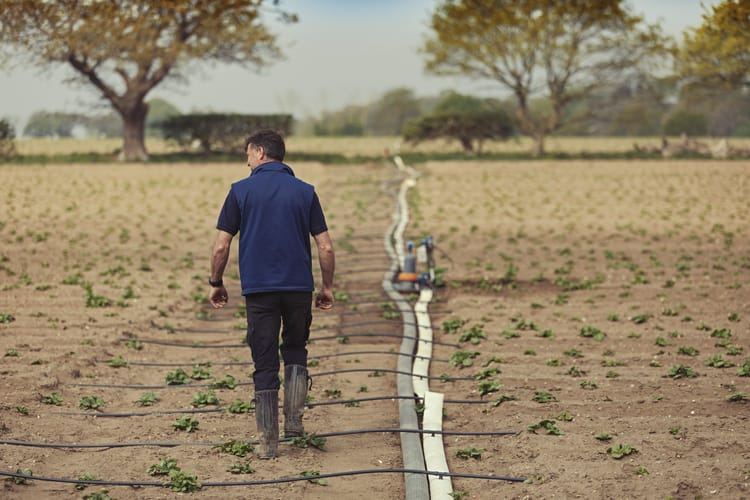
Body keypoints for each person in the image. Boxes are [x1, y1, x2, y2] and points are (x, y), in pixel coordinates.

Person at [208, 129, 335, 459]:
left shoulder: (240, 191)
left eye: (248, 153)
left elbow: (222, 245)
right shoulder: (305, 192)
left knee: (263, 362)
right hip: (298, 289)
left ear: (261, 152)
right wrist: (326, 287)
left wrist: (216, 282)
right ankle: (294, 421)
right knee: (295, 348)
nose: (246, 160)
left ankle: (267, 441)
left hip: (259, 291)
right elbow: (326, 246)